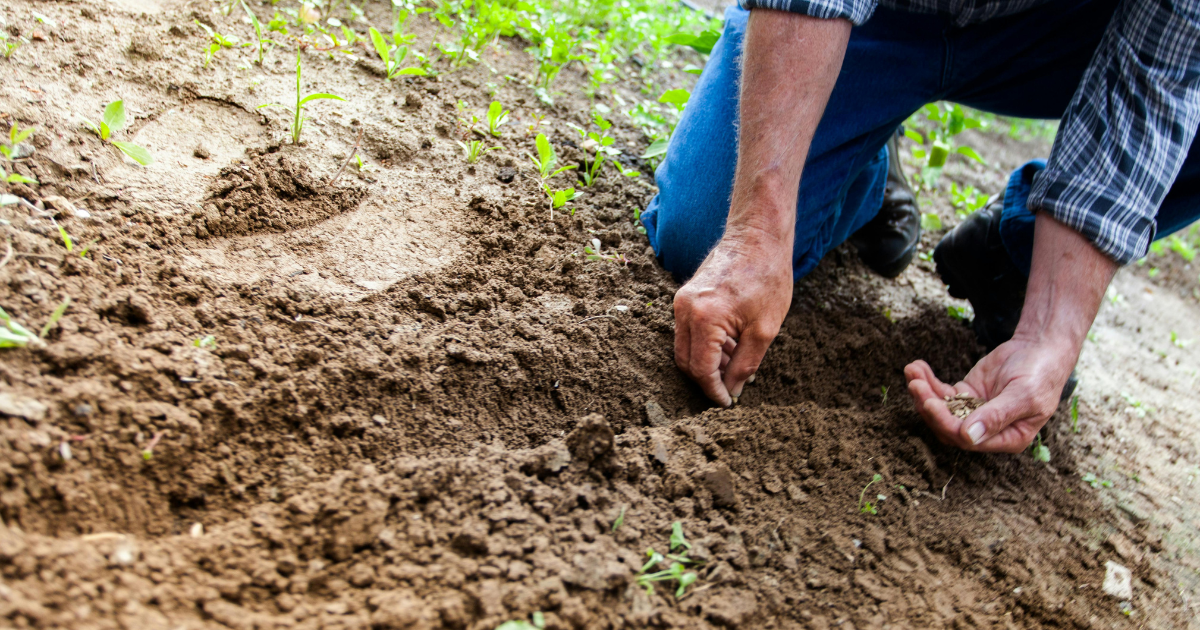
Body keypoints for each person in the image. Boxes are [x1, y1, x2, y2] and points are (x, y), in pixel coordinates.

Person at [641, 0, 1200, 453]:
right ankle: (864, 158)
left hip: (1058, 31)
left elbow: (1158, 79)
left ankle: (1018, 255)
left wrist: (1050, 334)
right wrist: (756, 233)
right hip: (881, 16)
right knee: (704, 235)